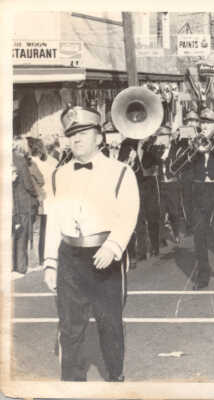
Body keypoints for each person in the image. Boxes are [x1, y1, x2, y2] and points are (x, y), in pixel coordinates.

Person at [43, 106, 139, 381]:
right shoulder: (59, 175)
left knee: (109, 323)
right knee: (70, 327)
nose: (76, 139)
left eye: (83, 132)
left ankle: (115, 376)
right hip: (70, 257)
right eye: (72, 134)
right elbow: (54, 220)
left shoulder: (120, 172)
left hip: (104, 256)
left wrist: (112, 247)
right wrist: (50, 263)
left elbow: (128, 214)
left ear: (99, 137)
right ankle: (72, 386)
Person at [177, 108, 214, 289]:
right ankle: (204, 275)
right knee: (199, 234)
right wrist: (191, 149)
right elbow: (178, 166)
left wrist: (211, 148)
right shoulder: (192, 143)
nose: (204, 126)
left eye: (209, 123)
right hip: (199, 189)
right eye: (203, 122)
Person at [142, 125, 183, 245]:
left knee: (174, 212)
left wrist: (164, 155)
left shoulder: (176, 149)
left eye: (165, 136)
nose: (162, 139)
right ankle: (162, 238)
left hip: (172, 184)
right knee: (160, 211)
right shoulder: (156, 150)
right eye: (160, 136)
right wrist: (148, 148)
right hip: (160, 184)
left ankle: (176, 233)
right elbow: (146, 164)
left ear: (170, 137)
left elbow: (178, 165)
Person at [27, 136, 57, 266]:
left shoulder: (31, 163)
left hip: (40, 199)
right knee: (45, 230)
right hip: (49, 198)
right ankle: (44, 257)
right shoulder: (51, 162)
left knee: (36, 231)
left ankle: (37, 259)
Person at [12, 139, 39, 274]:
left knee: (12, 235)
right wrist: (35, 195)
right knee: (22, 235)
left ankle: (12, 265)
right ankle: (21, 266)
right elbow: (28, 184)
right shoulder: (20, 160)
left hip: (12, 202)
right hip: (23, 202)